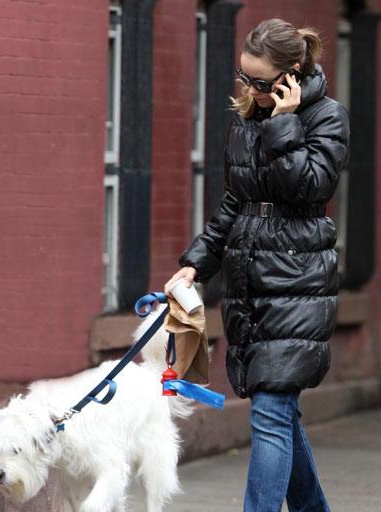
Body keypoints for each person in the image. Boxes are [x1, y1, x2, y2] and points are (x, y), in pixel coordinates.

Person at [165, 17, 350, 512]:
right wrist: (197, 262)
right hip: (249, 280)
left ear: (292, 73)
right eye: (244, 79)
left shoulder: (327, 117)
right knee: (279, 412)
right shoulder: (248, 116)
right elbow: (235, 199)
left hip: (298, 279)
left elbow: (309, 189)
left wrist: (284, 122)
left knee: (270, 410)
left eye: (261, 82)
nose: (249, 89)